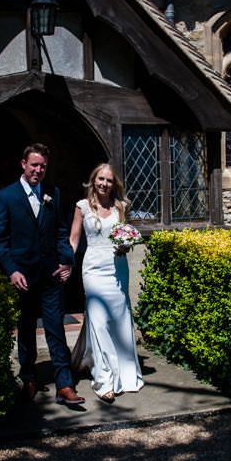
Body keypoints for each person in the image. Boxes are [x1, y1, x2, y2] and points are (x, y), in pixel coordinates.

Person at [0, 143, 85, 406]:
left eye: (43, 166)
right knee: (25, 330)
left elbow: (59, 232)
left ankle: (64, 385)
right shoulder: (5, 196)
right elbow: (0, 242)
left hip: (51, 275)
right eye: (34, 165)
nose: (38, 170)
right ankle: (29, 379)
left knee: (55, 328)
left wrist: (67, 262)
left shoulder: (52, 193)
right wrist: (11, 271)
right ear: (23, 164)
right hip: (22, 277)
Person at [69, 162, 144, 403]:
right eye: (100, 179)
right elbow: (73, 240)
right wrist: (63, 263)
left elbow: (124, 234)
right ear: (93, 181)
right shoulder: (82, 207)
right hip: (93, 269)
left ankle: (124, 373)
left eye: (109, 180)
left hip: (117, 268)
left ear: (114, 184)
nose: (104, 184)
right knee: (99, 321)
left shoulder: (121, 207)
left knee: (119, 319)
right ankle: (104, 380)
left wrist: (126, 243)